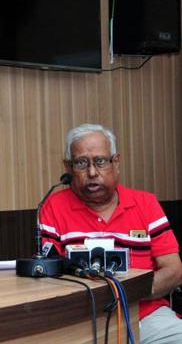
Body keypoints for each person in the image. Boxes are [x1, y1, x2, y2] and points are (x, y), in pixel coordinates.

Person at [40, 124, 182, 344]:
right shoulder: (53, 206)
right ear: (68, 167)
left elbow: (173, 270)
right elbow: (47, 278)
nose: (92, 173)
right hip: (82, 321)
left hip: (146, 314)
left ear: (116, 162)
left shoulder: (145, 203)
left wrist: (126, 297)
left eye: (100, 161)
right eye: (81, 163)